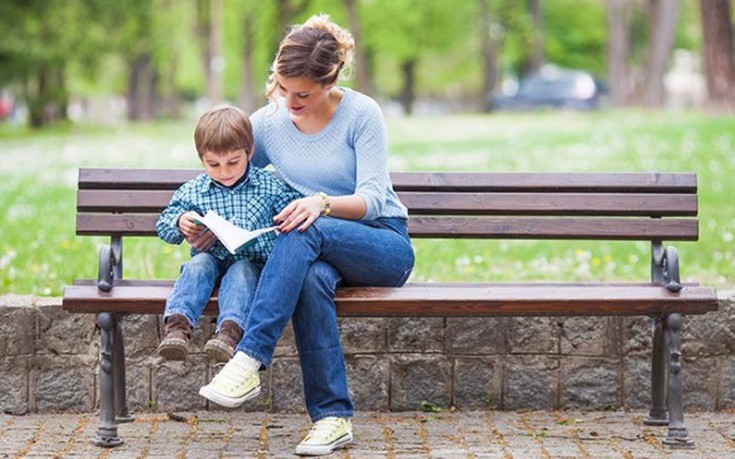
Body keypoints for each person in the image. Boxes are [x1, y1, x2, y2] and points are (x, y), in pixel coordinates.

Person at [195, 13, 415, 456]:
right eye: (281, 87)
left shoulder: (361, 113)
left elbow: (372, 198)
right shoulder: (269, 124)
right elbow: (226, 179)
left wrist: (321, 202)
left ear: (330, 81)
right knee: (311, 277)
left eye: (303, 94)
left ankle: (249, 357)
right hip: (315, 251)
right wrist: (199, 221)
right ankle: (333, 419)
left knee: (302, 230)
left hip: (380, 243)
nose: (289, 101)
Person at [155, 105, 300, 364]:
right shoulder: (194, 190)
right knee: (198, 263)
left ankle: (229, 335)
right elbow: (164, 223)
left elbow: (292, 215)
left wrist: (284, 221)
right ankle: (177, 328)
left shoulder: (270, 186)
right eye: (213, 164)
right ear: (202, 159)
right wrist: (181, 222)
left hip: (251, 263)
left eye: (233, 162)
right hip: (211, 260)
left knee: (242, 270)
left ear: (249, 151)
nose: (224, 172)